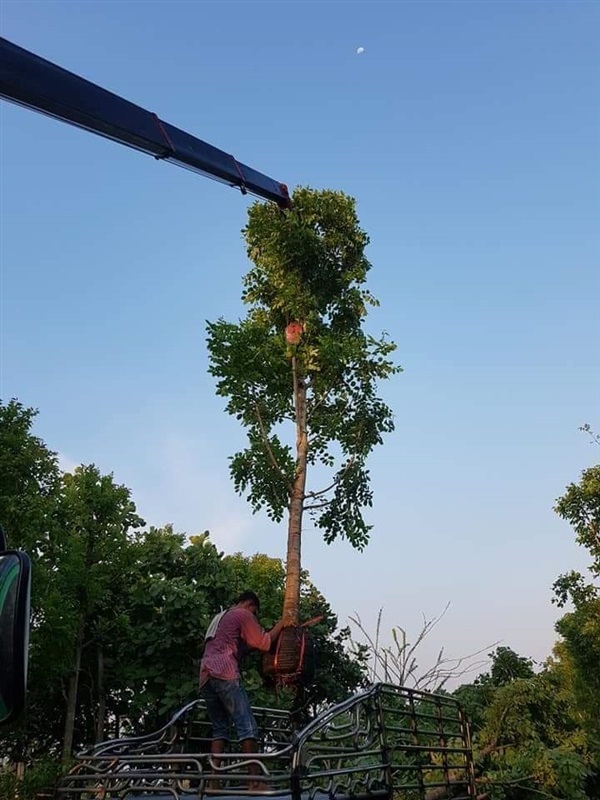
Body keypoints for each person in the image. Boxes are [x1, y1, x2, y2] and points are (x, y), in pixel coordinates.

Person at [199, 591, 284, 790]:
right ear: (250, 604)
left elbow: (239, 647)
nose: (254, 615)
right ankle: (254, 782)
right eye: (255, 611)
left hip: (205, 675)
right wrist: (282, 623)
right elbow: (264, 643)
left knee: (220, 728)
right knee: (247, 726)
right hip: (225, 672)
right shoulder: (243, 614)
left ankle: (213, 781)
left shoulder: (221, 617)